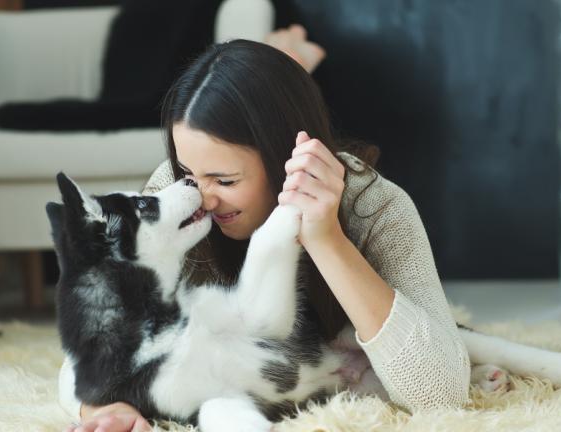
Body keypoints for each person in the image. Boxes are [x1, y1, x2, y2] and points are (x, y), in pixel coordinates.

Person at [61, 32, 470, 432]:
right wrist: (103, 407)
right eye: (188, 172)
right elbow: (90, 350)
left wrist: (326, 237)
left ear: (282, 160)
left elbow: (441, 392)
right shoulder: (176, 195)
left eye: (224, 180)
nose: (200, 196)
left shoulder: (373, 205)